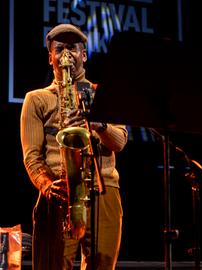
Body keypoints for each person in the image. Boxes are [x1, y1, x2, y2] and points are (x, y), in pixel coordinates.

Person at [20, 23, 128, 270]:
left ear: (85, 55)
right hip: (60, 191)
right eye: (59, 49)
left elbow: (120, 142)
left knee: (102, 264)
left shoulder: (104, 94)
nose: (66, 54)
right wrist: (47, 186)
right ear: (50, 58)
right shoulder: (36, 99)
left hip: (103, 189)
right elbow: (32, 157)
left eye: (73, 48)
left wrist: (98, 123)